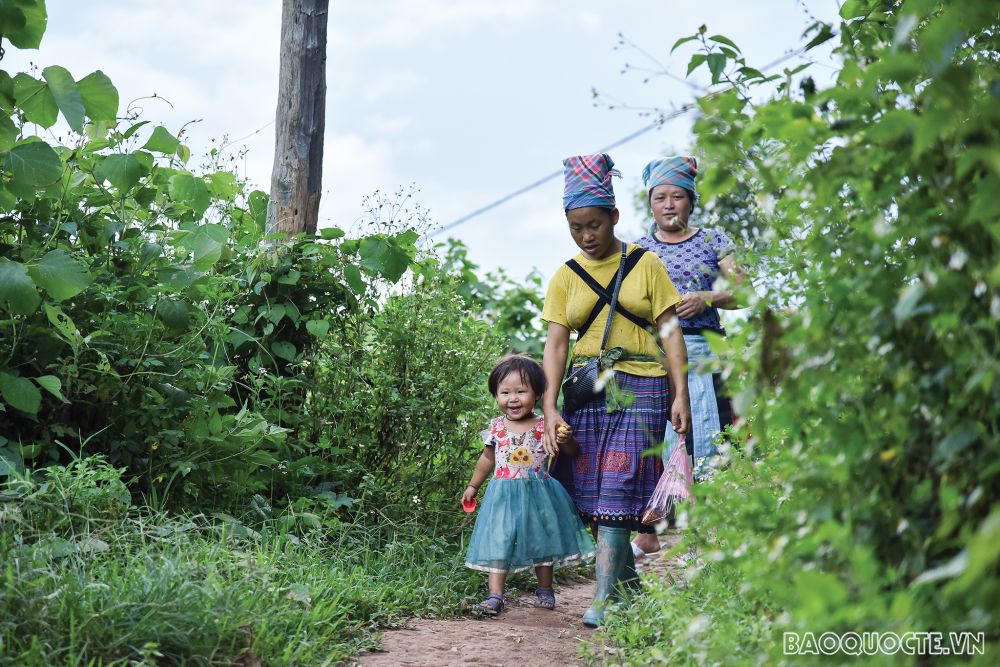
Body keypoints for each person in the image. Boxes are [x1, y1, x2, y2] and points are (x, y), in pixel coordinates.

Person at [540, 153, 691, 627]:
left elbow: (670, 332)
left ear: (614, 217)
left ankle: (603, 601)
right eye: (576, 228)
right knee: (590, 494)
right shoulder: (565, 276)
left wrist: (679, 393)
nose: (587, 236)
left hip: (643, 388)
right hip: (587, 393)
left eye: (594, 225)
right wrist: (548, 405)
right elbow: (557, 344)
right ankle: (627, 587)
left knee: (619, 486)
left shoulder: (646, 264)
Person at [631, 156, 746, 559]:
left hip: (705, 354)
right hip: (655, 356)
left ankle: (708, 533)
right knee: (652, 437)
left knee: (709, 438)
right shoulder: (639, 251)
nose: (668, 204)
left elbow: (743, 291)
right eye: (659, 197)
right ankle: (648, 530)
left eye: (677, 196)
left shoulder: (715, 241)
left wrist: (707, 298)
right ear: (650, 204)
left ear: (691, 201)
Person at [463, 354, 595, 615]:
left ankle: (545, 588)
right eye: (505, 392)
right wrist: (473, 486)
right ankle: (495, 595)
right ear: (496, 395)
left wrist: (566, 438)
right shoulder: (497, 427)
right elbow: (486, 459)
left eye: (521, 391)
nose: (513, 398)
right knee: (498, 540)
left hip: (538, 493)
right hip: (502, 493)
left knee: (541, 539)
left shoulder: (545, 426)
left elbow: (570, 451)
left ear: (537, 394)